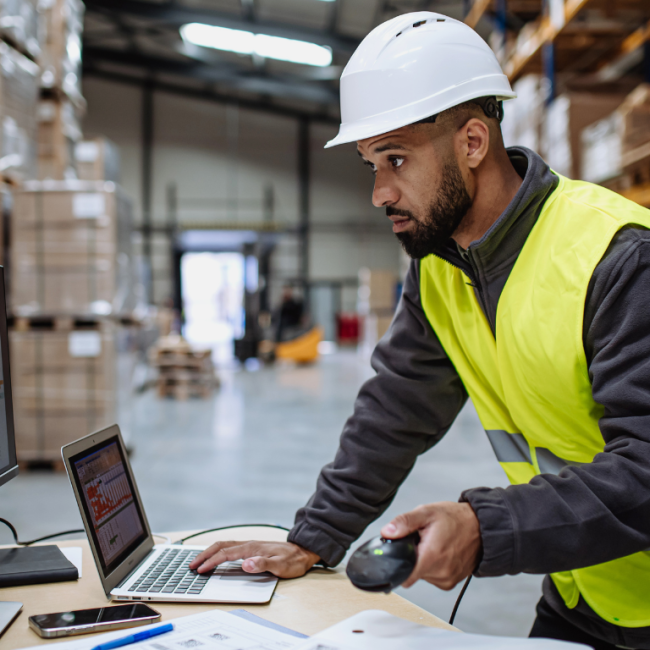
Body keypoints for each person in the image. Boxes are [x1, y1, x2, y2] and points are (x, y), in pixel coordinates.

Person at [190, 12, 650, 649]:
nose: (379, 192)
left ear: (471, 142)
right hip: (585, 590)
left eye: (396, 158)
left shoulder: (617, 259)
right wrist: (311, 539)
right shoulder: (440, 269)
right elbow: (396, 409)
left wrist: (482, 525)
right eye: (371, 164)